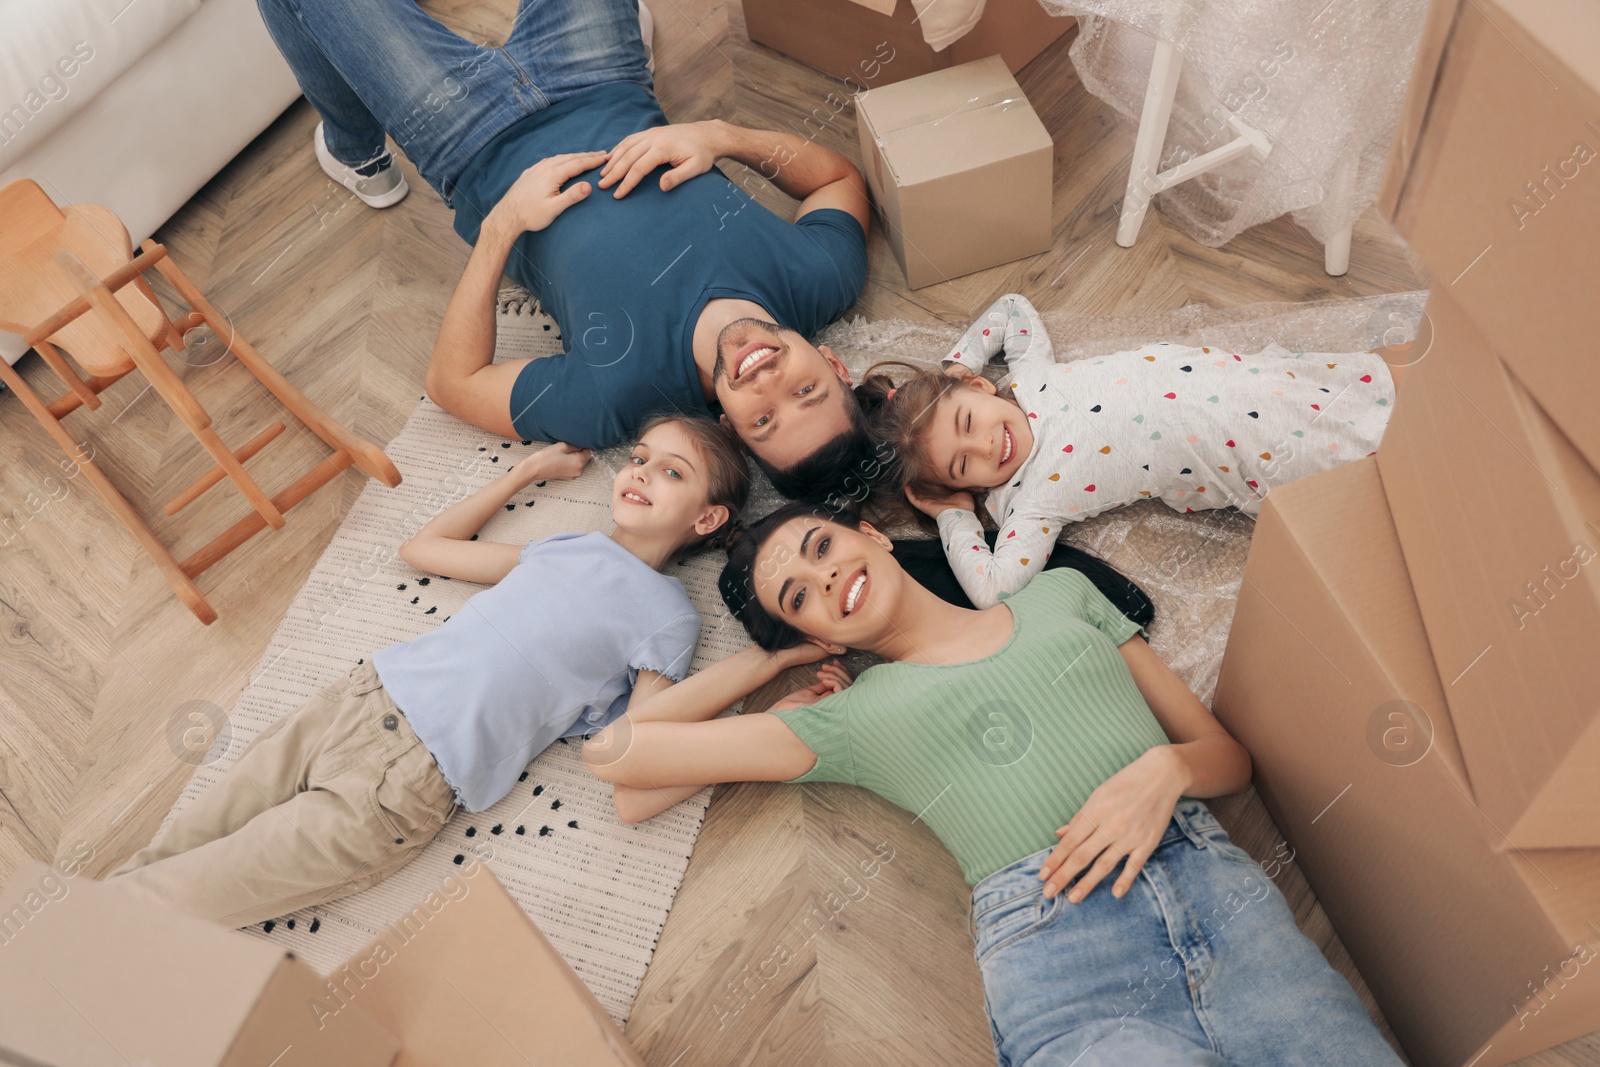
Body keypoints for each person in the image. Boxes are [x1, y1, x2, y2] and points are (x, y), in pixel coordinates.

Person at [580, 502, 1405, 1066]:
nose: (824, 578)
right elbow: (617, 758)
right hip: (1066, 960)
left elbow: (1228, 759)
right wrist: (768, 660)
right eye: (799, 596)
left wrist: (1169, 766)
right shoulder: (850, 717)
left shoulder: (1061, 595)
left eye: (823, 548)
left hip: (1228, 907)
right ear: (810, 629)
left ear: (869, 532)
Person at [110, 416, 749, 927]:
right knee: (159, 861)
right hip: (353, 703)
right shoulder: (567, 546)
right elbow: (424, 550)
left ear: (707, 519)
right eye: (639, 458)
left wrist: (766, 675)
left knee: (167, 898)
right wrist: (524, 472)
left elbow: (638, 754)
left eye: (671, 471)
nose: (639, 473)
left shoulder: (667, 618)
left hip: (406, 786)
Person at [254, 0, 878, 497]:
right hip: (603, 76)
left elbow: (453, 382)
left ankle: (355, 148)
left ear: (731, 431)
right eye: (806, 391)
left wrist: (503, 223)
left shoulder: (617, 398)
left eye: (763, 421)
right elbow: (838, 179)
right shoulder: (821, 278)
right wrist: (721, 136)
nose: (767, 382)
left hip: (469, 139)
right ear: (835, 366)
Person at [860, 293, 1396, 607]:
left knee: (1370, 390)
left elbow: (1012, 309)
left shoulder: (1029, 378)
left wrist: (956, 368)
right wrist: (955, 519)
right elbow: (993, 590)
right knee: (1378, 462)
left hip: (1251, 378)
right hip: (1253, 452)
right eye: (963, 464)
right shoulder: (1032, 498)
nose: (985, 445)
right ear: (969, 487)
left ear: (978, 391)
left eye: (969, 422)